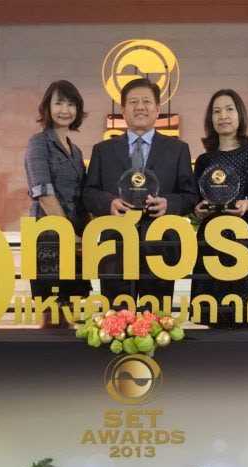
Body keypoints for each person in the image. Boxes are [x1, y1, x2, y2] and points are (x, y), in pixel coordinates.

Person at [83, 77, 197, 309]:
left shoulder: (178, 149)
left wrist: (169, 204)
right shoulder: (103, 150)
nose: (140, 107)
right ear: (123, 110)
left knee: (155, 320)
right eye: (133, 102)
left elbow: (190, 195)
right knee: (116, 319)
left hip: (160, 248)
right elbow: (89, 192)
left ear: (157, 109)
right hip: (115, 247)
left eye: (146, 101)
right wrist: (109, 203)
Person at [191, 89, 248, 327]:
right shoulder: (204, 160)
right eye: (216, 111)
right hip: (213, 245)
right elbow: (195, 205)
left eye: (229, 109)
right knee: (213, 319)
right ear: (210, 119)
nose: (223, 116)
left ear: (240, 114)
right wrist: (199, 210)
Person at [24, 80, 92, 326]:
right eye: (59, 103)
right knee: (52, 315)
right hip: (49, 236)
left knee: (74, 311)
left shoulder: (76, 151)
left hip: (77, 237)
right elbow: (43, 192)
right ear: (48, 107)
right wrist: (68, 234)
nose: (65, 110)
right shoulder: (38, 143)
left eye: (71, 104)